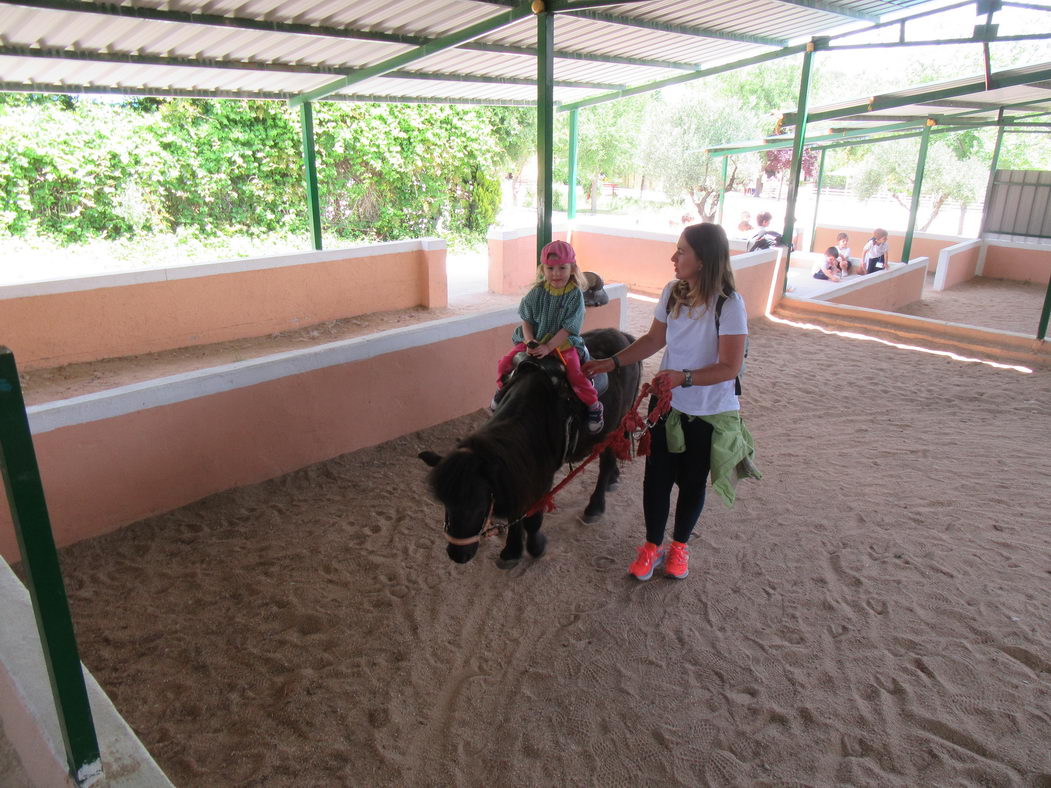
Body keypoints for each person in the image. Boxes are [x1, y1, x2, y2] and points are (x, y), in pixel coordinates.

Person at [582, 223, 753, 581]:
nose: (673, 257)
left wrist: (683, 377)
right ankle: (651, 546)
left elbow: (729, 366)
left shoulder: (729, 304)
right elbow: (653, 339)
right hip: (667, 405)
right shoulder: (672, 293)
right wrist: (612, 362)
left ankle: (679, 547)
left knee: (692, 484)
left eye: (682, 251)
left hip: (708, 412)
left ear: (703, 260)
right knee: (656, 481)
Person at [493, 240, 604, 433]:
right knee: (505, 364)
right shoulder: (537, 292)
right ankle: (502, 391)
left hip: (562, 343)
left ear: (572, 268)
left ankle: (594, 405)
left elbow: (569, 327)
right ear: (543, 268)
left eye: (562, 268)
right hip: (535, 339)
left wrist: (548, 347)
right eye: (550, 268)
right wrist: (529, 341)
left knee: (575, 375)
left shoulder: (574, 295)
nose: (556, 273)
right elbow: (526, 320)